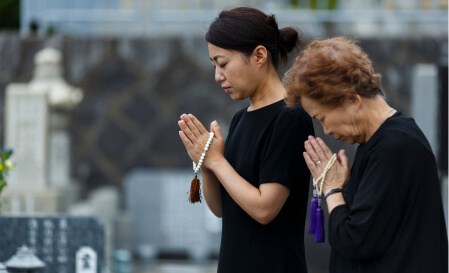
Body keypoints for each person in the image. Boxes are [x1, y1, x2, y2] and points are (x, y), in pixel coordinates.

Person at [283, 36, 448, 273]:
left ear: (353, 99)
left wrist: (332, 189)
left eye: (322, 118)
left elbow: (355, 240)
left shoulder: (394, 147)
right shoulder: (386, 142)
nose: (327, 130)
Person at [178, 7, 313, 273]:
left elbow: (265, 209)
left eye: (223, 63)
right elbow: (220, 210)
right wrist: (206, 163)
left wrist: (218, 162)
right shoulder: (241, 119)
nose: (218, 75)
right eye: (214, 65)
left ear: (259, 55)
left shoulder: (290, 118)